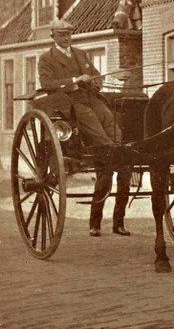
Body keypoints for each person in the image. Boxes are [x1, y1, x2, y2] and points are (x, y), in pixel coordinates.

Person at [38, 19, 130, 237]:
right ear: (53, 36)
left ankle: (118, 221)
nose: (66, 37)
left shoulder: (81, 54)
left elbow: (96, 77)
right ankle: (110, 150)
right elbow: (47, 83)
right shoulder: (46, 59)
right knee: (94, 127)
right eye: (61, 34)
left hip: (91, 99)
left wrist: (101, 79)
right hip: (69, 103)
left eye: (69, 33)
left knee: (110, 121)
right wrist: (74, 79)